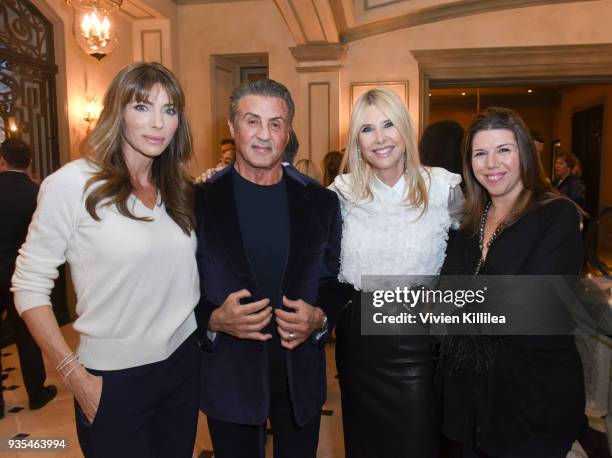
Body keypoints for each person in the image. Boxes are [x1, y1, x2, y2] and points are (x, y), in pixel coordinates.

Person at [11, 62, 200, 457]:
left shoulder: (176, 187)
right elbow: (28, 288)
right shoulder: (72, 184)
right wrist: (74, 376)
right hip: (114, 378)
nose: (158, 123)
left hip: (182, 364)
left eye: (169, 110)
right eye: (142, 106)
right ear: (117, 112)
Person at [194, 79, 343, 458]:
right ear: (231, 127)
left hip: (300, 379)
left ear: (288, 131)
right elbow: (175, 287)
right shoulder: (198, 200)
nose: (264, 135)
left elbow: (336, 281)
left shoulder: (321, 201)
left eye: (275, 123)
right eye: (252, 121)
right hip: (230, 379)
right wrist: (212, 320)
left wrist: (320, 316)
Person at [440, 107, 585, 457]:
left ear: (524, 153)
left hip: (533, 400)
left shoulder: (557, 215)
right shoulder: (468, 224)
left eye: (503, 149)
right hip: (472, 403)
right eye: (480, 153)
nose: (491, 163)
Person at [329, 87, 463, 457]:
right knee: (365, 444)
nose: (380, 138)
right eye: (367, 129)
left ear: (405, 129)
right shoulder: (341, 193)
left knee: (418, 443)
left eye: (389, 124)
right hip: (359, 343)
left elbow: (483, 235)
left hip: (419, 342)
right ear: (356, 140)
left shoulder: (442, 186)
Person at [0, 139, 56, 416]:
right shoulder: (37, 192)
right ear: (30, 162)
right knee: (27, 335)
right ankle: (37, 393)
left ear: (2, 160)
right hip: (21, 275)